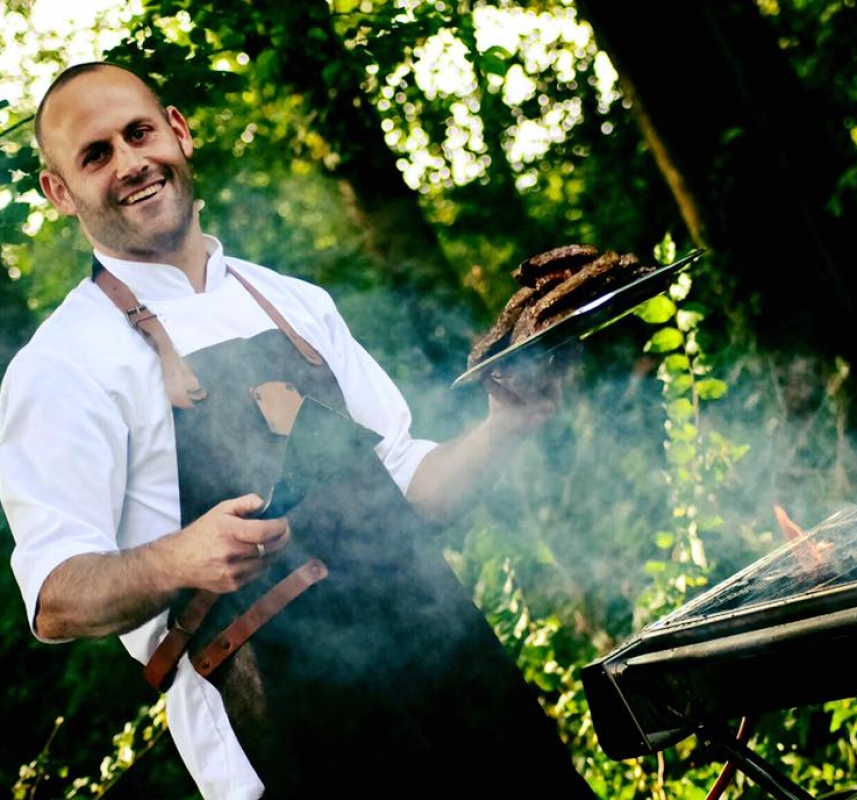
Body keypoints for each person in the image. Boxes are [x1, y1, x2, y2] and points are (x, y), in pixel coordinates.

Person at [0, 61, 597, 799]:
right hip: (290, 741)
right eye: (96, 155)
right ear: (60, 192)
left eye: (139, 133)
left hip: (462, 689)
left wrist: (509, 424)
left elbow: (412, 486)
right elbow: (55, 597)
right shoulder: (62, 364)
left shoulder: (295, 302)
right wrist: (177, 560)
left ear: (179, 132)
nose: (130, 164)